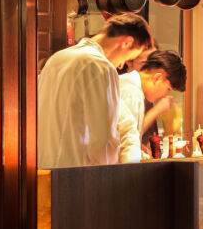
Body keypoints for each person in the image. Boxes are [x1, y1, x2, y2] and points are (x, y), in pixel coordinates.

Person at [38, 14, 154, 168]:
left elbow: (125, 124)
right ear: (127, 42)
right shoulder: (100, 66)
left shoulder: (56, 59)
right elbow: (103, 142)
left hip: (42, 170)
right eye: (128, 58)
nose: (121, 66)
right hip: (76, 173)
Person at [117, 50, 187, 162]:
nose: (165, 95)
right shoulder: (131, 92)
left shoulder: (133, 87)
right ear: (157, 78)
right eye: (168, 89)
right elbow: (123, 143)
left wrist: (139, 147)